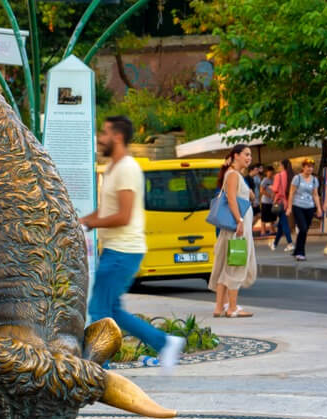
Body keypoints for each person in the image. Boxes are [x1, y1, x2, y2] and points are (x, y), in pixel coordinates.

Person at [79, 116, 185, 373]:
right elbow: (106, 212)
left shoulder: (126, 168)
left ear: (116, 137)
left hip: (122, 251)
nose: (100, 138)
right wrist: (81, 221)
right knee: (112, 310)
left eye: (104, 133)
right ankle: (164, 342)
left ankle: (98, 368)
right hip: (116, 250)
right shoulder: (114, 168)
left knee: (99, 310)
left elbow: (123, 216)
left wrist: (92, 224)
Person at [208, 144, 257, 317]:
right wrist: (240, 221)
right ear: (236, 155)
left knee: (226, 266)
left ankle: (219, 307)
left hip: (234, 227)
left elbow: (237, 195)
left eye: (250, 155)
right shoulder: (234, 174)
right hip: (237, 228)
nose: (249, 158)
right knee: (236, 263)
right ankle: (232, 308)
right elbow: (231, 200)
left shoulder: (233, 175)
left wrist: (249, 193)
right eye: (246, 154)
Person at [286, 158, 322, 261]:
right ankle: (301, 252)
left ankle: (297, 249)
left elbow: (315, 194)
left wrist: (318, 208)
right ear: (303, 167)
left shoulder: (314, 180)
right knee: (303, 228)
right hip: (298, 206)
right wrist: (289, 207)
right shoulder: (297, 178)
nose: (310, 169)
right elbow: (291, 193)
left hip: (309, 207)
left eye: (311, 167)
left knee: (304, 230)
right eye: (307, 167)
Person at [270, 159, 294, 252]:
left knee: (284, 223)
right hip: (289, 201)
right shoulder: (291, 175)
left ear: (282, 165)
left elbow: (275, 189)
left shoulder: (278, 175)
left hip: (280, 202)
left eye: (280, 165)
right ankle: (275, 244)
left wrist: (270, 187)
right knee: (281, 224)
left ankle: (290, 243)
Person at [258, 165, 275, 236]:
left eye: (272, 172)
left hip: (272, 202)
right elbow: (261, 190)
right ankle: (263, 231)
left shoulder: (273, 180)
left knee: (272, 217)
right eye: (269, 172)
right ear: (266, 172)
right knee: (264, 217)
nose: (271, 173)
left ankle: (271, 230)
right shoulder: (265, 180)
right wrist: (269, 195)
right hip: (265, 202)